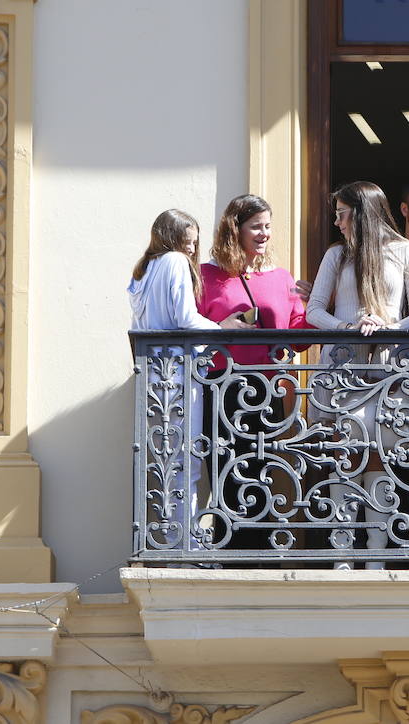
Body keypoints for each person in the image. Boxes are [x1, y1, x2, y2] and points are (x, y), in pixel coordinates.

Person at [306, 180, 409, 569]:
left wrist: (389, 327)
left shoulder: (406, 252)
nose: (338, 222)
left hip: (387, 367)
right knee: (345, 454)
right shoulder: (336, 255)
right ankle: (343, 552)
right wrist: (347, 327)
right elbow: (314, 311)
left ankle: (376, 555)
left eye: (342, 214)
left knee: (380, 455)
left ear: (361, 213)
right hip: (343, 366)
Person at [129, 209, 246, 554]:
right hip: (178, 373)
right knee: (187, 462)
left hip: (153, 376)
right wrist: (221, 329)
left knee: (165, 460)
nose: (194, 249)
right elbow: (184, 318)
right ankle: (186, 544)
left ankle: (170, 537)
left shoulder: (143, 270)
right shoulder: (176, 262)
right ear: (175, 238)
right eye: (190, 240)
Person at [198, 194, 310, 549]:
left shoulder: (280, 278)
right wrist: (219, 326)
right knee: (226, 468)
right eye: (256, 227)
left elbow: (301, 334)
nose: (264, 234)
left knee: (262, 468)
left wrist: (324, 298)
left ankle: (258, 550)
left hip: (266, 388)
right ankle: (229, 549)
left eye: (268, 227)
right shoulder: (207, 276)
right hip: (223, 386)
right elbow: (186, 325)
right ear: (236, 230)